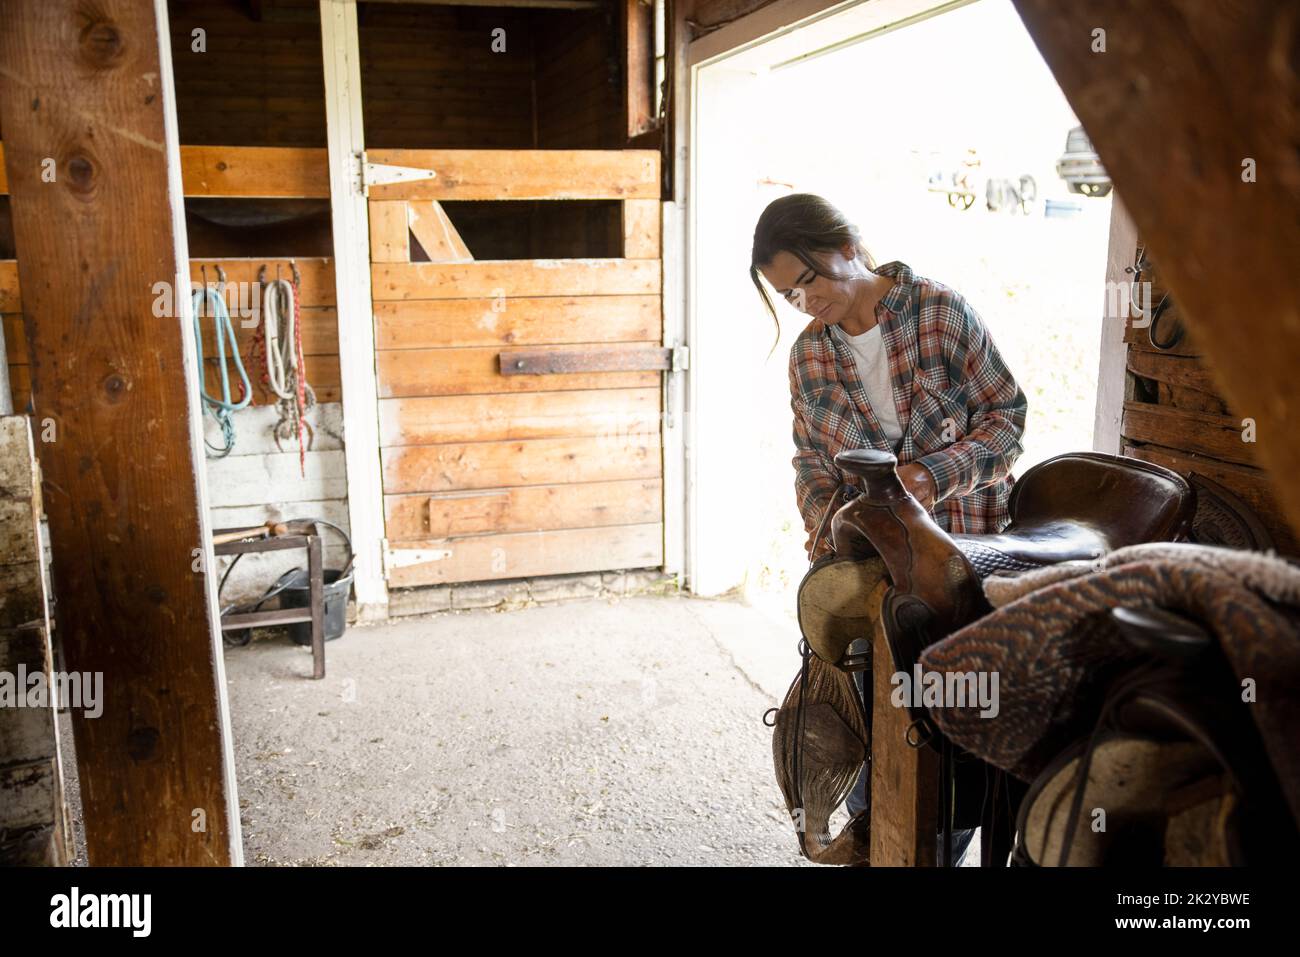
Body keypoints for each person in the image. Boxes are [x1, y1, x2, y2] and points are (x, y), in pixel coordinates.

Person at [750, 193, 1028, 866]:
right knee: (875, 725)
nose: (804, 302)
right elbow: (813, 470)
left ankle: (942, 846)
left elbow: (1007, 418)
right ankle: (878, 842)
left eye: (809, 280)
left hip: (966, 557)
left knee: (958, 734)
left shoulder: (939, 311)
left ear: (847, 246)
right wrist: (832, 543)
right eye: (788, 295)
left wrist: (930, 477)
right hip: (872, 574)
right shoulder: (809, 358)